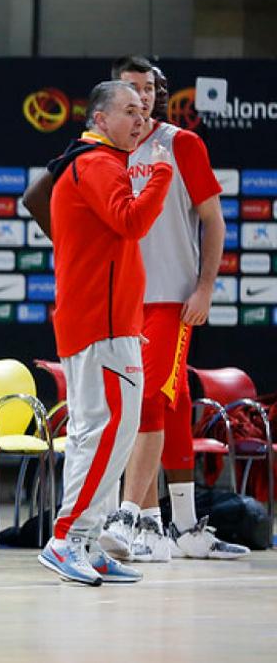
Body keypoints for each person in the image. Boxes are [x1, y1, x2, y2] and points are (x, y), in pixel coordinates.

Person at [25, 58, 246, 562]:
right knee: (117, 421)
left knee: (150, 410)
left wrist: (206, 286)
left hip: (165, 297)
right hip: (109, 309)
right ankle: (129, 523)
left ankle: (158, 523)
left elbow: (213, 219)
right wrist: (79, 253)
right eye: (130, 94)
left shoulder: (176, 142)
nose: (141, 102)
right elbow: (47, 198)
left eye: (148, 91)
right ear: (103, 111)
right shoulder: (98, 156)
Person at [36, 80, 171, 586]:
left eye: (144, 111)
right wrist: (159, 174)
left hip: (108, 324)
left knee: (99, 434)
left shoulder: (96, 163)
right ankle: (67, 538)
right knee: (107, 432)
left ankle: (84, 542)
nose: (141, 119)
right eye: (130, 110)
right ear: (98, 119)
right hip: (101, 323)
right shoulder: (94, 163)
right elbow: (131, 220)